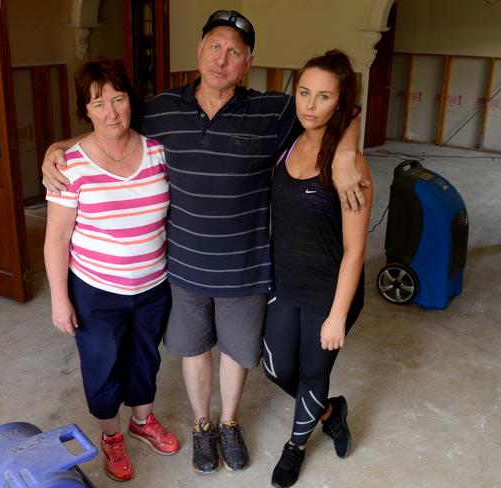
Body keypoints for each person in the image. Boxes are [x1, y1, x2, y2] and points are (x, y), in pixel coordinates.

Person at [42, 10, 369, 475]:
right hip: (182, 269)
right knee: (192, 353)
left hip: (246, 268)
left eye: (235, 51)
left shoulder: (273, 111)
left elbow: (341, 109)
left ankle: (229, 422)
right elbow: (111, 125)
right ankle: (202, 425)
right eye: (215, 46)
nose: (222, 58)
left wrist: (346, 153)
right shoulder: (161, 109)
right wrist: (56, 149)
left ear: (248, 62)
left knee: (237, 355)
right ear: (199, 52)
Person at [43, 58, 179, 483]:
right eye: (98, 104)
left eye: (118, 100)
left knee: (144, 359)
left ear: (130, 102)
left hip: (153, 284)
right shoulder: (71, 165)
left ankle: (142, 421)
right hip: (96, 290)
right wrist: (60, 299)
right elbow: (56, 240)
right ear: (86, 110)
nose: (111, 113)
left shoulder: (158, 152)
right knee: (102, 367)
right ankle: (112, 437)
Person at [262, 50, 373, 487]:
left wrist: (337, 316)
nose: (309, 105)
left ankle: (295, 448)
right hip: (286, 282)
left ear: (339, 104)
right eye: (303, 92)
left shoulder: (351, 168)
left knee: (312, 373)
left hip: (329, 291)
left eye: (323, 97)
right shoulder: (290, 137)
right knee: (274, 367)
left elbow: (355, 251)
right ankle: (330, 409)